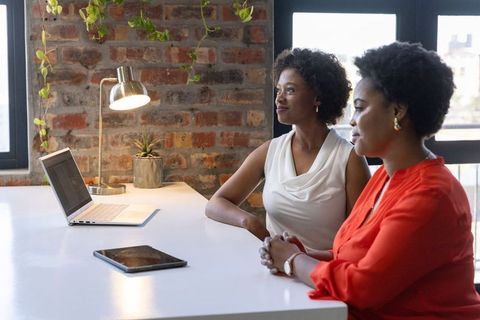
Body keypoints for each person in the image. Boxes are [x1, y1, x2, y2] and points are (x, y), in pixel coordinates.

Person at [260, 42, 480, 319]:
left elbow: (363, 287)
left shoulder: (430, 194)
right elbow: (356, 258)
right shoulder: (385, 178)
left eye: (361, 108)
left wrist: (293, 261)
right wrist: (305, 254)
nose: (352, 121)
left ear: (397, 112)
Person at [205, 48, 370, 252]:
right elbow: (215, 203)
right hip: (273, 271)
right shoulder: (271, 150)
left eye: (290, 90)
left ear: (317, 98)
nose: (279, 99)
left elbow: (357, 243)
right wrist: (251, 223)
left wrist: (300, 259)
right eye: (279, 90)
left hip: (322, 275)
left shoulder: (349, 159)